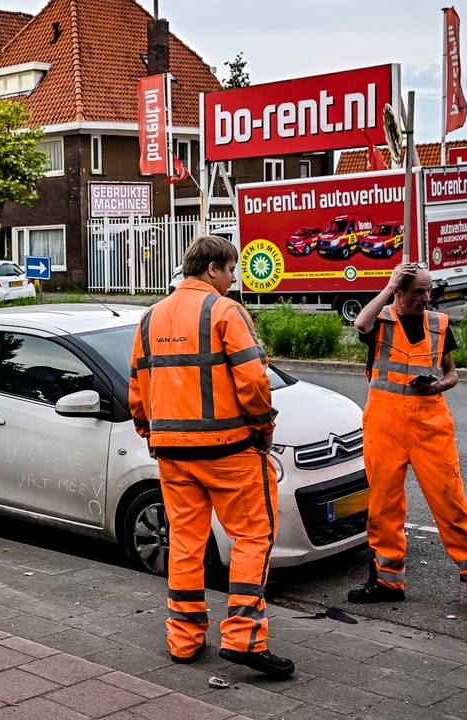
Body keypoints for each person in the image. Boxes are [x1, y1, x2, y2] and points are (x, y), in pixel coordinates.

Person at [128, 235, 293, 678]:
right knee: (254, 536)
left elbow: (138, 389)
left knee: (184, 542)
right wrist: (264, 430)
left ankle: (183, 639)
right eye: (231, 269)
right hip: (230, 451)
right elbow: (254, 382)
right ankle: (243, 638)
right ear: (213, 269)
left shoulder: (150, 318)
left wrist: (150, 433)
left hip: (172, 454)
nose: (234, 278)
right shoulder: (225, 311)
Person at [348, 263, 467, 616]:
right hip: (384, 425)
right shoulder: (380, 319)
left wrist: (439, 384)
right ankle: (387, 582)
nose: (427, 298)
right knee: (383, 507)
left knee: (452, 506)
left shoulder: (438, 324)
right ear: (400, 291)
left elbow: (452, 374)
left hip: (431, 424)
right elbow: (360, 324)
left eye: (429, 292)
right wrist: (387, 287)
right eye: (419, 292)